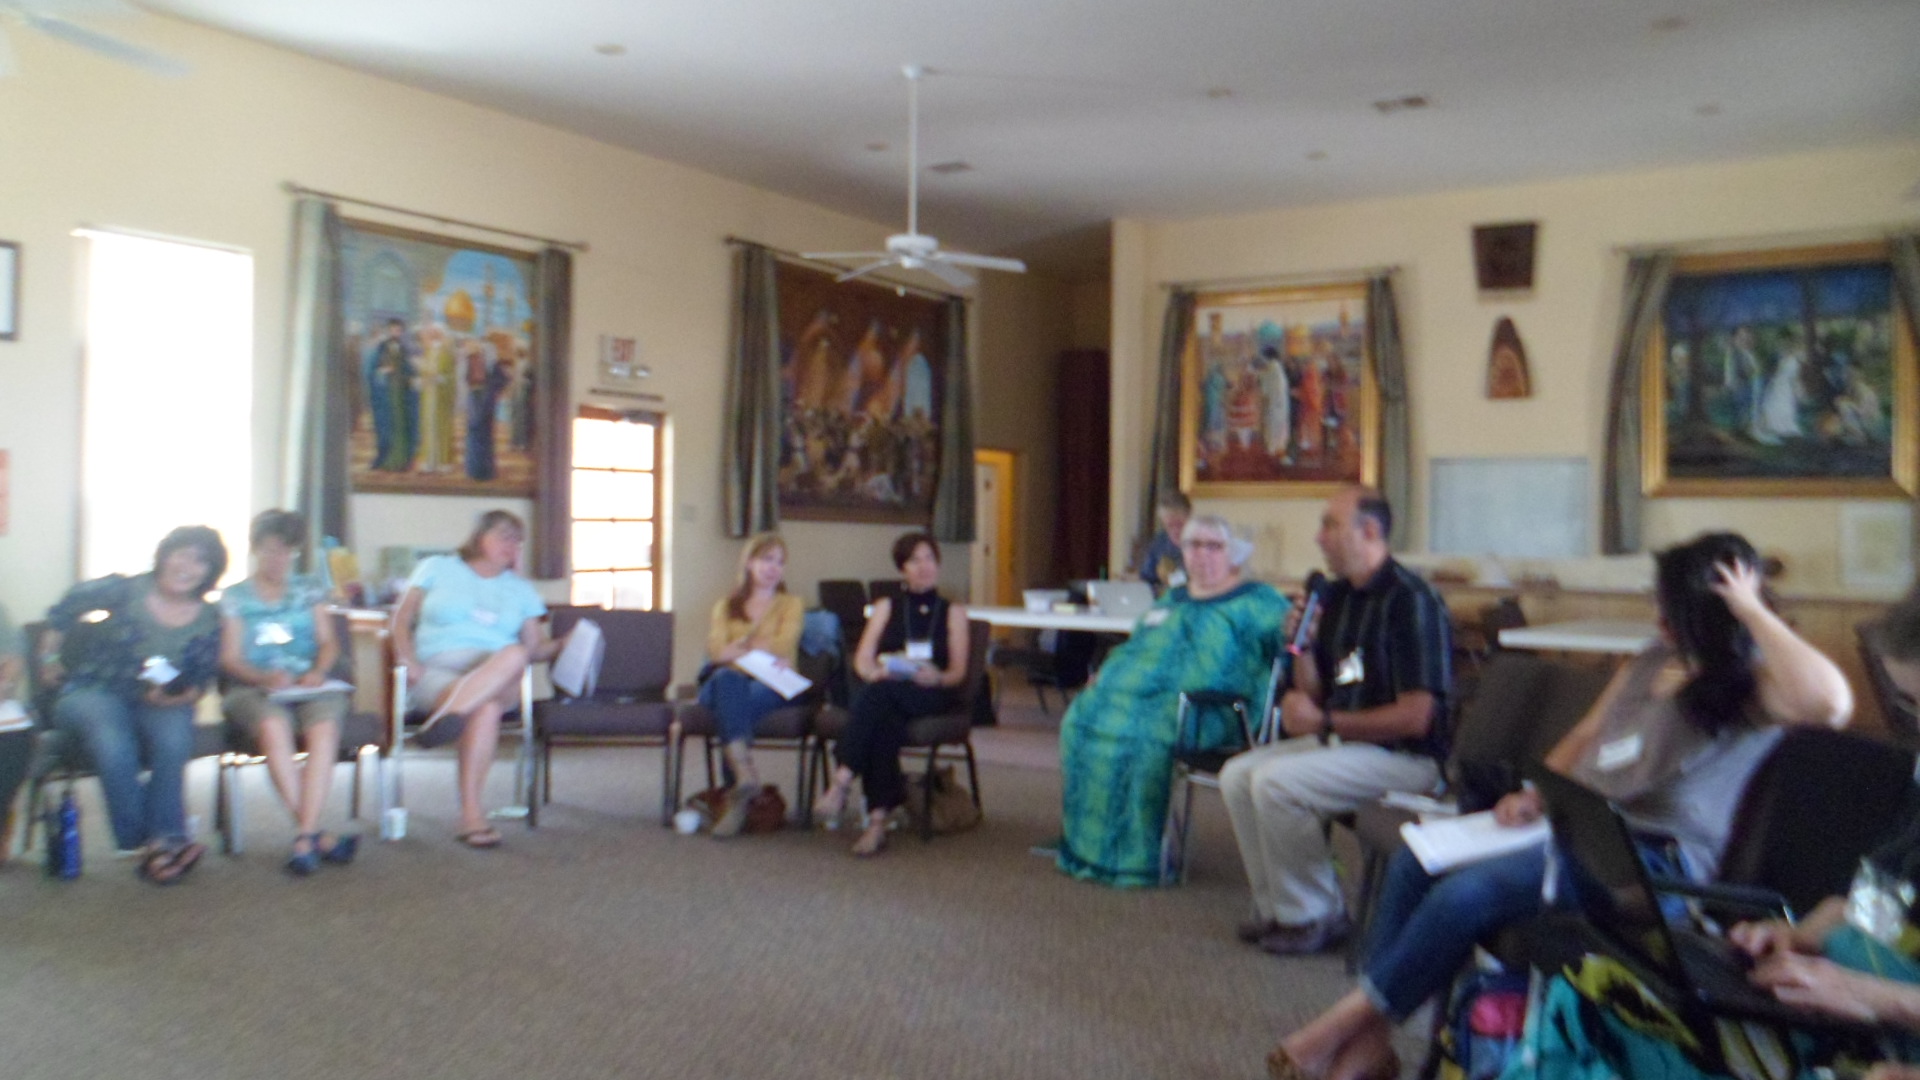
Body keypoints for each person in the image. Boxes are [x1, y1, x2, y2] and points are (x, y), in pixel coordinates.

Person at [1265, 531, 1854, 1080]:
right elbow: (1586, 736)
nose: (1658, 619)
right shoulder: (1650, 659)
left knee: (1469, 891)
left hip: (1653, 867)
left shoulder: (1750, 688)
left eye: (1670, 609)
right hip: (1583, 830)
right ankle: (1371, 1041)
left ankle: (1340, 1027)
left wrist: (1751, 609)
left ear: (1708, 613)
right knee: (1414, 862)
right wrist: (1537, 793)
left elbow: (1831, 702)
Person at [1221, 486, 1455, 956]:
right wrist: (1304, 646)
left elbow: (1417, 717)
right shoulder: (1338, 598)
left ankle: (1316, 914)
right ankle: (1277, 908)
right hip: (1344, 743)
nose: (1319, 537)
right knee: (1237, 775)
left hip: (1406, 759)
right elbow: (1316, 692)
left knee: (1276, 783)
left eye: (1330, 525)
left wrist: (1324, 723)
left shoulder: (1411, 600)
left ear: (1368, 531)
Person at [1055, 514, 1288, 887]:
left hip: (1209, 708)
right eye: (1194, 545)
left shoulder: (1259, 601)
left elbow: (1288, 656)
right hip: (1136, 696)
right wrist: (1106, 675)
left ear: (1233, 553)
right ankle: (1088, 847)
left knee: (1143, 736)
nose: (1203, 555)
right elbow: (1137, 644)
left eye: (1214, 546)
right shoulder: (1172, 599)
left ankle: (1134, 857)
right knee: (1079, 721)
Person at [39, 526, 229, 884]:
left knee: (175, 739)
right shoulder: (126, 589)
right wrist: (49, 657)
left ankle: (162, 843)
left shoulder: (209, 618)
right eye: (181, 554)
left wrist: (178, 696)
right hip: (93, 690)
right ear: (164, 555)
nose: (187, 566)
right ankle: (152, 843)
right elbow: (66, 606)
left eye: (200, 561)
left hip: (157, 698)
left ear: (210, 572)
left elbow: (201, 680)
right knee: (114, 742)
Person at [389, 510, 563, 848]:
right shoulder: (436, 567)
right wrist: (407, 658)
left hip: (500, 676)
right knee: (485, 709)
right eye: (503, 536)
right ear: (479, 537)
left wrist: (564, 645)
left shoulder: (521, 589)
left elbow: (534, 649)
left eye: (517, 540)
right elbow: (400, 619)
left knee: (515, 653)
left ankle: (449, 715)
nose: (511, 545)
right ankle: (471, 816)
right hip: (437, 672)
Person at [814, 532, 970, 858]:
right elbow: (862, 660)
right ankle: (877, 822)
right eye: (915, 560)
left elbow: (958, 672)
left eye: (929, 558)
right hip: (891, 691)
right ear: (902, 569)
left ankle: (842, 779)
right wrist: (876, 673)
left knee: (877, 697)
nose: (924, 566)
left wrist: (937, 677)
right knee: (883, 721)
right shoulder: (886, 607)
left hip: (932, 693)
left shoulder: (952, 611)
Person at [218, 510, 358, 875]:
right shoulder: (235, 596)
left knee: (324, 727)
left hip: (310, 684)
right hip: (253, 687)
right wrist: (262, 677)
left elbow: (328, 643)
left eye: (286, 552)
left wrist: (318, 671)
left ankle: (305, 837)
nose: (278, 559)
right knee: (272, 726)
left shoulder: (309, 588)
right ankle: (314, 836)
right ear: (255, 550)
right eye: (269, 550)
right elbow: (229, 659)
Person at [697, 532, 804, 839]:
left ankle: (738, 789)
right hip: (727, 681)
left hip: (773, 682)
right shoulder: (725, 606)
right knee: (727, 682)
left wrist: (739, 647)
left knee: (732, 699)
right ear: (749, 563)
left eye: (780, 562)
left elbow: (783, 644)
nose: (773, 568)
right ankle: (742, 775)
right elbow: (716, 652)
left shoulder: (791, 604)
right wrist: (758, 647)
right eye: (767, 559)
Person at [1136, 490, 1192, 594]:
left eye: (1179, 524)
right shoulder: (1158, 544)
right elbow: (1146, 580)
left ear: (1189, 517)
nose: (1175, 530)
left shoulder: (1202, 542)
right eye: (1170, 525)